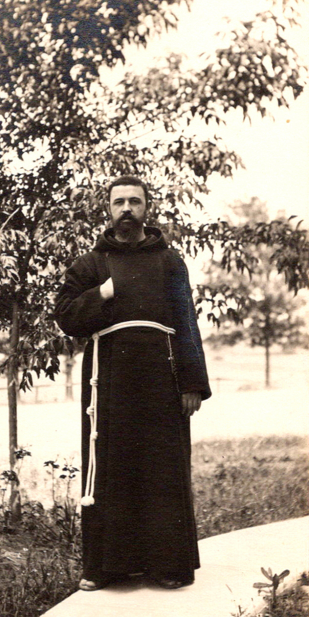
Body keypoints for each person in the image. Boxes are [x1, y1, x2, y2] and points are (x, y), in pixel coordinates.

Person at [54, 175, 211, 591]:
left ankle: (168, 566)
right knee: (111, 463)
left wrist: (192, 383)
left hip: (163, 373)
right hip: (108, 377)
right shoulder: (90, 265)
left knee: (162, 465)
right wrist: (101, 294)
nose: (127, 209)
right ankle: (106, 568)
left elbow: (186, 323)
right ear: (108, 208)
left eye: (135, 202)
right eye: (119, 202)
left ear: (147, 208)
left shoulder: (170, 261)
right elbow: (67, 317)